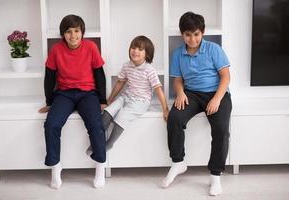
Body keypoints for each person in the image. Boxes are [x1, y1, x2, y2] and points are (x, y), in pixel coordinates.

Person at [161, 12, 232, 196]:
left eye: (196, 34)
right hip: (191, 94)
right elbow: (177, 80)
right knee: (175, 118)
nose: (192, 39)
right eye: (188, 35)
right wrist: (180, 92)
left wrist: (217, 99)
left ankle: (215, 175)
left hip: (217, 93)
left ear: (203, 33)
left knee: (221, 128)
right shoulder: (178, 53)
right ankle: (178, 163)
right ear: (182, 34)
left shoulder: (213, 49)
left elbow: (226, 77)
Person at [38, 14, 107, 189]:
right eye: (68, 32)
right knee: (52, 124)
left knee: (96, 125)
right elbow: (50, 76)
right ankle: (55, 167)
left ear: (82, 32)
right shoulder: (56, 50)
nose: (73, 35)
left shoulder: (91, 47)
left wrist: (102, 99)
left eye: (77, 31)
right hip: (64, 94)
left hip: (88, 94)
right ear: (63, 34)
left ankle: (100, 167)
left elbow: (99, 74)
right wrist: (50, 101)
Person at [86, 35, 169, 154]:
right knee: (107, 112)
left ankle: (109, 144)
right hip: (126, 97)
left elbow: (158, 89)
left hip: (141, 101)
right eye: (133, 48)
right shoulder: (126, 65)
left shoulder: (149, 70)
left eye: (140, 49)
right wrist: (110, 100)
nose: (135, 51)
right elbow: (120, 83)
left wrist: (165, 109)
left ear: (147, 54)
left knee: (122, 116)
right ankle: (96, 142)